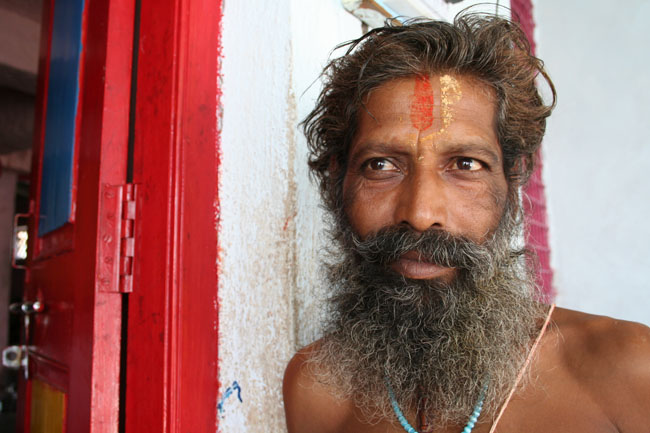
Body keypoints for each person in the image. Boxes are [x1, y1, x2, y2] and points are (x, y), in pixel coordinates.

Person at [283, 14, 650, 433]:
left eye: (465, 164)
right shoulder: (317, 390)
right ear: (337, 179)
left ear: (512, 179)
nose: (420, 214)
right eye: (381, 165)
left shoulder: (628, 371)